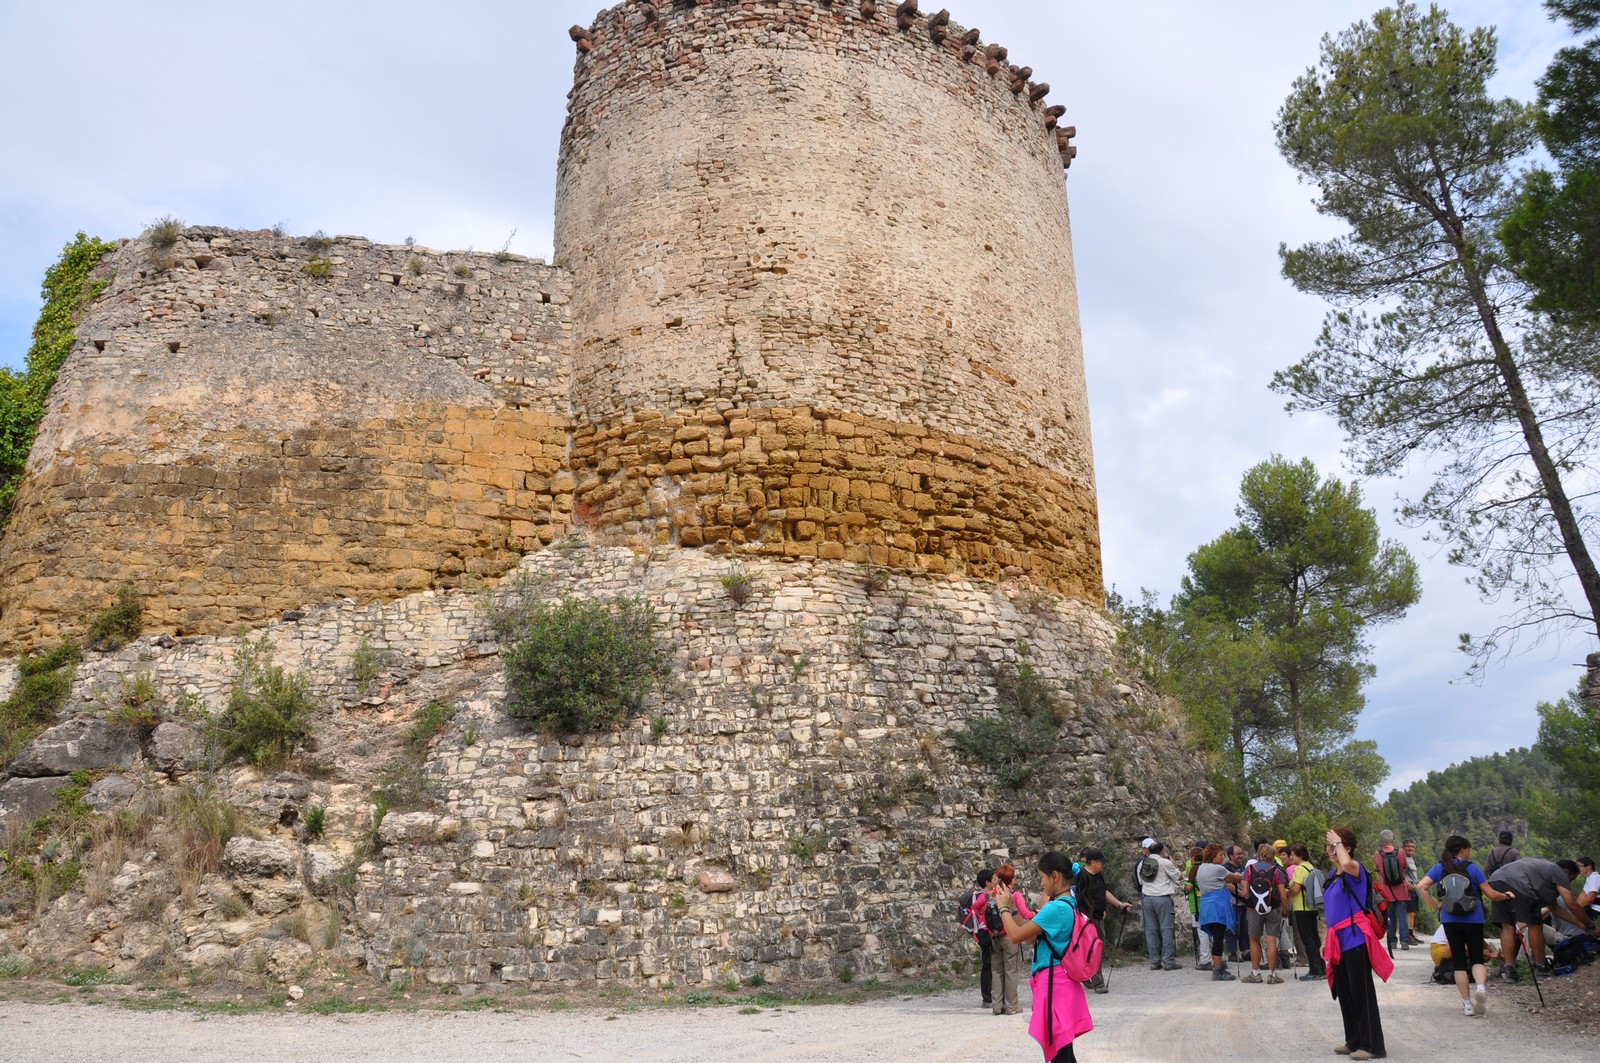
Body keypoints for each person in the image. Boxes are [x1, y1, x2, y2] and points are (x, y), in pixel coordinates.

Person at [999, 852, 1095, 1063]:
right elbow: (1030, 937)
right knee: (1065, 1053)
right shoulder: (1068, 904)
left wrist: (1003, 907)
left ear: (1055, 876)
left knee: (1061, 1055)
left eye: (1042, 878)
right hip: (1061, 982)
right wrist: (1013, 909)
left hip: (1054, 983)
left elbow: (1015, 936)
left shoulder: (1056, 908)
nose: (1041, 884)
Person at [1323, 825, 1392, 1061]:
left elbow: (1347, 864)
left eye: (1336, 845)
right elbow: (1332, 912)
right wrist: (1325, 940)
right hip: (1337, 940)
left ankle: (1372, 1045)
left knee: (1361, 993)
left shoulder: (1355, 869)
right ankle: (1353, 1040)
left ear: (1348, 848)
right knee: (1345, 992)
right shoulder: (1332, 876)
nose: (1331, 849)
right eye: (1329, 845)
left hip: (1356, 939)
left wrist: (1338, 843)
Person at [1415, 834, 1491, 1018]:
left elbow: (1420, 886)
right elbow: (1490, 893)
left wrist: (1435, 906)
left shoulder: (1440, 867)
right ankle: (1480, 988)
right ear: (1463, 850)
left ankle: (1467, 1005)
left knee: (1459, 964)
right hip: (1474, 919)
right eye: (1468, 849)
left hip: (1450, 920)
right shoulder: (1472, 868)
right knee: (1477, 960)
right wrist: (1506, 895)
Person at [1482, 857, 1593, 970]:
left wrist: (1579, 924)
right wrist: (1591, 925)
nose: (1569, 882)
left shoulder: (1543, 871)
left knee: (1507, 926)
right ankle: (1541, 965)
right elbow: (1572, 904)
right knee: (1535, 924)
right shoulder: (1559, 872)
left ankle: (1509, 967)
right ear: (1566, 872)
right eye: (1571, 879)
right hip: (1519, 882)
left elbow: (1555, 908)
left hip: (1495, 880)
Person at [1072, 848, 1134, 994]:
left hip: (1098, 917)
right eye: (1101, 862)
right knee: (1093, 949)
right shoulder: (1082, 877)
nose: (1103, 865)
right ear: (1093, 862)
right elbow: (1075, 897)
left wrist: (1119, 904)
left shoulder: (1098, 875)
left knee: (1096, 949)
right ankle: (1098, 982)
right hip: (1086, 920)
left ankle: (1086, 975)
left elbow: (1104, 892)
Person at [1241, 842, 1290, 983]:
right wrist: (1285, 911)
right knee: (1272, 941)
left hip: (1254, 909)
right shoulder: (1276, 871)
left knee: (1254, 940)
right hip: (1273, 908)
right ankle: (1272, 975)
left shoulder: (1250, 869)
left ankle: (1255, 973)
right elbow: (1283, 895)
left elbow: (1245, 893)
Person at [1195, 844, 1242, 980]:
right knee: (1218, 937)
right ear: (1212, 856)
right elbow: (1235, 878)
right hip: (1218, 905)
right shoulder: (1218, 869)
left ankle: (1218, 965)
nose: (1223, 858)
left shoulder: (1201, 868)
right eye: (1220, 855)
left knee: (1215, 936)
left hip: (1206, 905)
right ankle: (1217, 970)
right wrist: (1245, 874)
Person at [991, 864, 1034, 1015]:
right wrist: (1036, 913)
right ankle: (1011, 1006)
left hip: (994, 935)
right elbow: (1024, 914)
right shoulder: (1014, 895)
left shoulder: (992, 894)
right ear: (1011, 879)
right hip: (1009, 936)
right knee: (1011, 970)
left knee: (996, 970)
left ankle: (997, 1005)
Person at [1483, 830, 1522, 979]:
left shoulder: (1492, 852)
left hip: (1495, 888)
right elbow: (1519, 872)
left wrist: (1490, 887)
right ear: (1511, 840)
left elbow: (1486, 870)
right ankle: (1514, 961)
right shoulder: (1514, 853)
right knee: (1513, 924)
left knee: (1505, 926)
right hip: (1511, 889)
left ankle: (1507, 961)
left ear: (1499, 839)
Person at [1139, 841, 1183, 970]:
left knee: (1151, 930)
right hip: (1162, 898)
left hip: (1147, 898)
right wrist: (1174, 864)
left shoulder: (1143, 863)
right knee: (1166, 929)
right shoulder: (1165, 862)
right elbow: (1179, 877)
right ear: (1162, 851)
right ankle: (1168, 962)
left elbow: (1140, 880)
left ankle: (1154, 961)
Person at [1288, 843, 1327, 981]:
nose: (1291, 857)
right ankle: (1321, 968)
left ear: (1300, 856)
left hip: (1301, 908)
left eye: (1293, 855)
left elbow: (1296, 889)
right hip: (1312, 907)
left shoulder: (1299, 869)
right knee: (1315, 938)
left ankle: (1314, 970)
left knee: (1307, 939)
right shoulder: (1310, 867)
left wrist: (1286, 893)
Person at [1372, 829, 1413, 951]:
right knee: (1402, 915)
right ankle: (1404, 941)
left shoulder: (1378, 854)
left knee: (1390, 916)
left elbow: (1377, 868)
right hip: (1401, 889)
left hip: (1387, 891)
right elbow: (1405, 866)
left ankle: (1392, 941)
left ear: (1381, 840)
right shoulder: (1400, 852)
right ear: (1393, 839)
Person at [968, 868, 998, 1007]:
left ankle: (990, 996)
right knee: (988, 963)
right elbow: (975, 907)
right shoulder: (984, 895)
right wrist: (983, 918)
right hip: (984, 932)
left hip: (984, 931)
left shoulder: (986, 894)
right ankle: (987, 999)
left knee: (990, 963)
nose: (996, 881)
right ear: (987, 882)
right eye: (994, 879)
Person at [1223, 843, 1249, 962]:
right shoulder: (1226, 868)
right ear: (1230, 856)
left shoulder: (1243, 867)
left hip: (1244, 902)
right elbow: (1228, 885)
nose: (1241, 856)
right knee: (1233, 926)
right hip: (1233, 901)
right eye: (1238, 854)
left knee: (1244, 926)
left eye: (1241, 853)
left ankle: (1245, 950)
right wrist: (1241, 893)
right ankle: (1232, 952)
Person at [1402, 839, 1423, 945]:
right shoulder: (1403, 859)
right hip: (1408, 888)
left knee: (1413, 913)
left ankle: (1411, 934)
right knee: (1409, 913)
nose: (1410, 848)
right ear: (1403, 848)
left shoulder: (1410, 859)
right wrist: (1407, 884)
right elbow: (1401, 873)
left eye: (1412, 847)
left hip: (1413, 887)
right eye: (1408, 846)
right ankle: (1408, 935)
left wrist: (1417, 881)